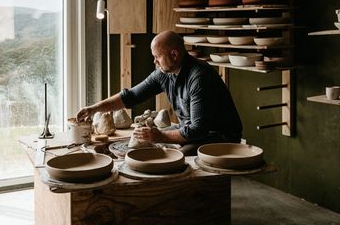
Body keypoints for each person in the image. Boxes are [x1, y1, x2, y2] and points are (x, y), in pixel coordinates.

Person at [76, 30, 243, 154]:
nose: (154, 61)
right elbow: (131, 96)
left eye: (157, 56)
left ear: (175, 54)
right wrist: (94, 108)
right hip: (193, 131)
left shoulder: (199, 77)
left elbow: (197, 130)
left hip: (220, 136)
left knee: (172, 157)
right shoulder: (164, 73)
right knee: (149, 145)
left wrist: (160, 136)